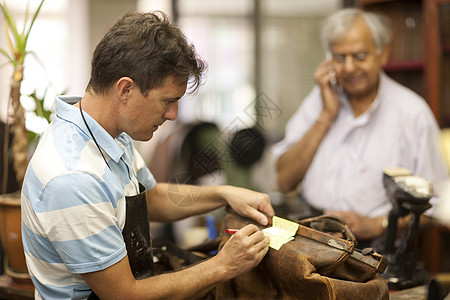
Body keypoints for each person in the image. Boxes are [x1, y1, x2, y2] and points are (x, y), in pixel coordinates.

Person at [21, 11, 273, 300]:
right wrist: (223, 265)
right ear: (126, 89)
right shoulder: (73, 178)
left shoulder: (109, 132)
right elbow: (125, 295)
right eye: (168, 101)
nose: (173, 114)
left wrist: (225, 194)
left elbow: (150, 200)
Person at [272, 8, 448, 246]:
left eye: (360, 56)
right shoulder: (318, 100)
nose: (349, 68)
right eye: (340, 58)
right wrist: (326, 115)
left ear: (383, 53)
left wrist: (377, 224)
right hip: (312, 241)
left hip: (376, 251)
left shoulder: (412, 113)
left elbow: (436, 207)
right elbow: (285, 180)